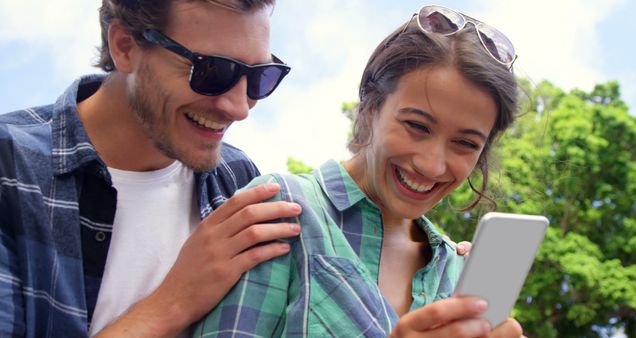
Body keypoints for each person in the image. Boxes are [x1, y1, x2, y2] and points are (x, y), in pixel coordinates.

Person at [0, 1, 472, 337]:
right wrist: (173, 301)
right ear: (124, 46)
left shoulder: (239, 180)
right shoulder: (12, 168)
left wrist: (431, 261)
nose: (239, 107)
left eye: (260, 78)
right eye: (212, 71)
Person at [194, 4, 525, 338]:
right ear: (370, 108)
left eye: (465, 143)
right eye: (416, 125)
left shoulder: (456, 270)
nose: (432, 165)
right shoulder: (279, 211)